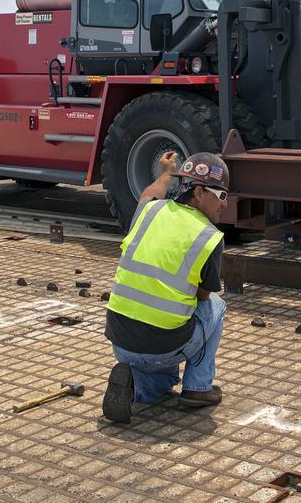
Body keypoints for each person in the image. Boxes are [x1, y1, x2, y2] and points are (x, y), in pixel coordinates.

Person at [102, 149, 230, 424]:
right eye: (221, 196)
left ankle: (136, 384)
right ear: (198, 192)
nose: (224, 204)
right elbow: (203, 296)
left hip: (120, 340)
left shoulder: (150, 211)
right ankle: (197, 388)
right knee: (215, 307)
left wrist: (167, 173)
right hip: (162, 346)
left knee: (158, 386)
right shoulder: (208, 236)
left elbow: (151, 191)